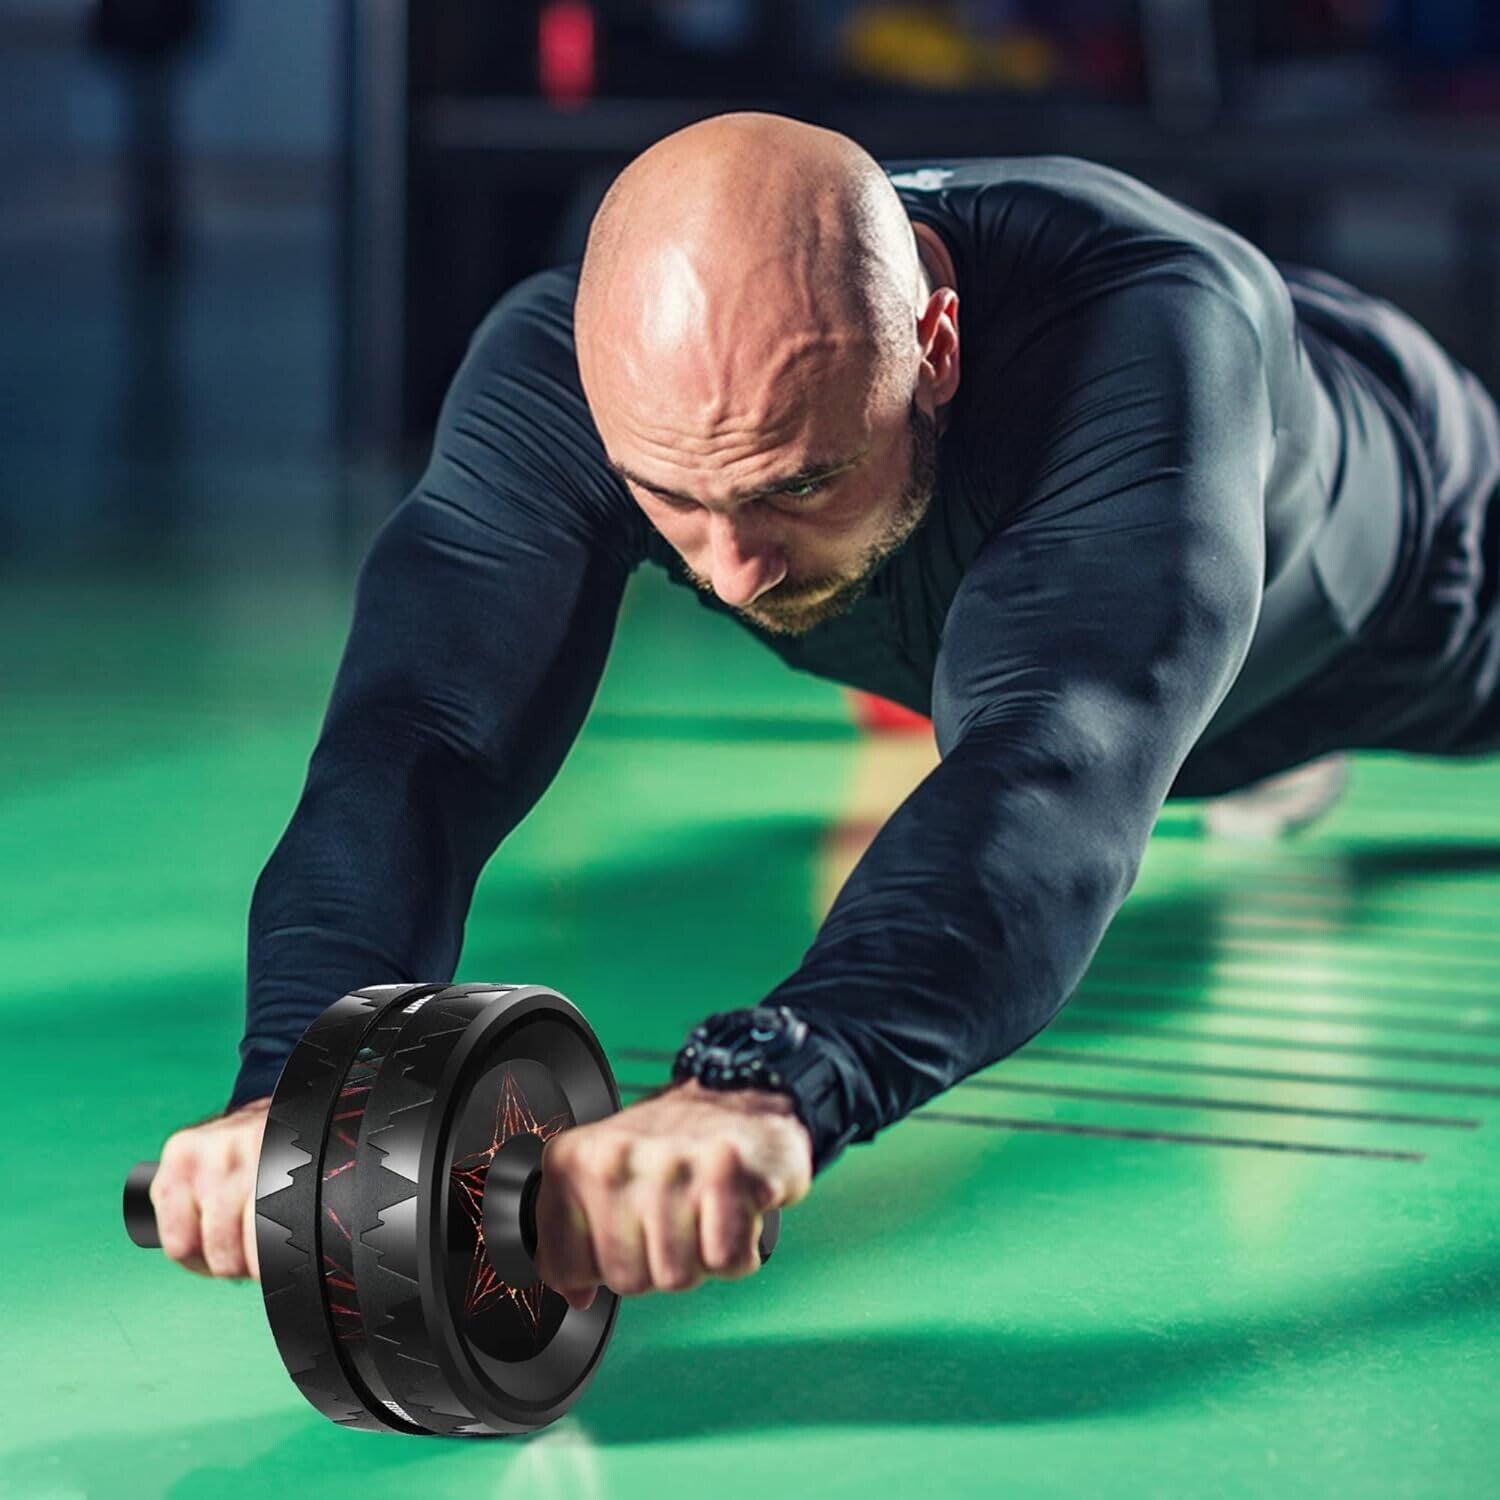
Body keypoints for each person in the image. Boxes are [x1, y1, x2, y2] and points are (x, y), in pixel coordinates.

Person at [144, 111, 1500, 1309]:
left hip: (1412, 594)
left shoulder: (1146, 328)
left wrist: (773, 1078)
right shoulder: (573, 369)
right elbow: (417, 739)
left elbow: (1049, 761)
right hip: (1100, 643)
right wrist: (302, 1079)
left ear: (938, 346)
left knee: (1084, 703)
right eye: (673, 501)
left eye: (796, 483)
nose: (730, 570)